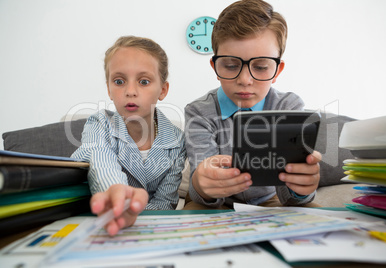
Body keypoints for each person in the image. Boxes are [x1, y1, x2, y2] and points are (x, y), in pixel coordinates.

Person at [184, 0, 322, 209]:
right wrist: (201, 184)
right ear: (215, 66)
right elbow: (200, 191)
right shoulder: (199, 112)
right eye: (231, 66)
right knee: (194, 211)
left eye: (260, 67)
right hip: (218, 203)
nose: (245, 80)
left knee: (312, 212)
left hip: (269, 199)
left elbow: (290, 197)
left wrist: (302, 189)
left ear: (277, 70)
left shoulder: (289, 106)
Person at [72, 36, 186, 235]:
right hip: (105, 221)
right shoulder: (98, 124)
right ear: (109, 89)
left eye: (143, 81)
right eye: (119, 81)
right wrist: (117, 194)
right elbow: (99, 159)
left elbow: (164, 203)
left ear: (163, 90)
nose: (130, 91)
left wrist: (133, 216)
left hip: (147, 229)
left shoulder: (178, 141)